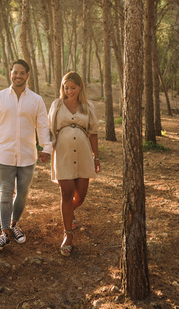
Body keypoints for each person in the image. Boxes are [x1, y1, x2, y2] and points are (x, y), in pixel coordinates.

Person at [0, 59, 52, 251]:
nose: (18, 76)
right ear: (10, 74)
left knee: (23, 194)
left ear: (27, 75)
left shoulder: (36, 100)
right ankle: (4, 234)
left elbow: (43, 125)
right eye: (15, 72)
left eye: (22, 73)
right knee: (5, 193)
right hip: (4, 155)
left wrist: (46, 147)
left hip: (28, 156)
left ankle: (14, 225)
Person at [48, 71, 100, 257]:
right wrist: (46, 150)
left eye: (73, 88)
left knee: (81, 195)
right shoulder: (57, 105)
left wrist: (96, 156)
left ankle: (68, 212)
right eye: (66, 87)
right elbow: (49, 129)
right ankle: (68, 234)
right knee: (67, 192)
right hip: (62, 153)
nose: (69, 91)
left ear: (80, 88)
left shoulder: (87, 106)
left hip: (84, 153)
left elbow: (93, 133)